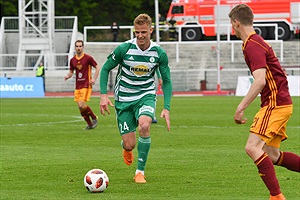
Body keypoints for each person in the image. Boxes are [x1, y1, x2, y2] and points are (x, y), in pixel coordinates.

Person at [229, 4, 300, 200]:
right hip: (280, 102)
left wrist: (240, 107)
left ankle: (276, 196)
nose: (231, 28)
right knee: (273, 155)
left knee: (252, 148)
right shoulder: (255, 42)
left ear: (236, 22)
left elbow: (260, 81)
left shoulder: (253, 44)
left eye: (231, 23)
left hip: (275, 104)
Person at [99, 13, 172, 183]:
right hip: (123, 99)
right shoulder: (124, 49)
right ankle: (126, 147)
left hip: (145, 95)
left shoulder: (158, 53)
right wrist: (103, 95)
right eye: (137, 32)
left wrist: (166, 107)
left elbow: (167, 81)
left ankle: (140, 172)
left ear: (151, 31)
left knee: (145, 126)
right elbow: (105, 69)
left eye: (143, 32)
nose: (140, 36)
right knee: (130, 144)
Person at [65, 39, 100, 130]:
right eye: (77, 46)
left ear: (83, 47)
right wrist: (67, 76)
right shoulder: (72, 60)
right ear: (75, 47)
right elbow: (71, 72)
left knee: (81, 105)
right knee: (80, 108)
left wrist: (94, 78)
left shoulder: (88, 58)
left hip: (86, 84)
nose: (78, 48)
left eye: (80, 46)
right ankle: (89, 124)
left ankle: (94, 117)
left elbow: (97, 67)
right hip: (77, 86)